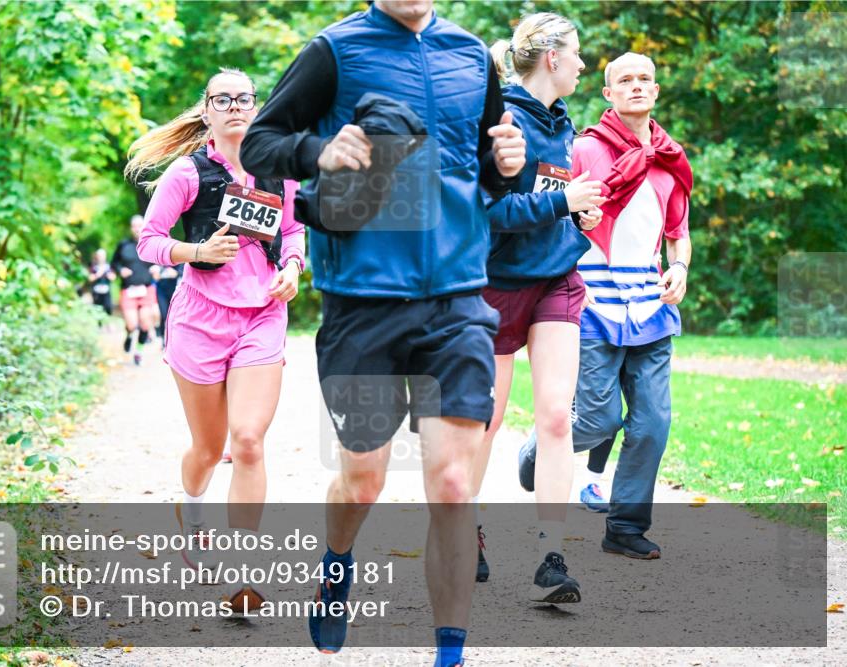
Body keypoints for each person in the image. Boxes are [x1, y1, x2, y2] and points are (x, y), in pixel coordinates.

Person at [241, 1, 526, 664]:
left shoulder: (470, 56)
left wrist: (506, 163)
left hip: (457, 297)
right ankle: (337, 561)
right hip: (363, 302)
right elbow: (259, 145)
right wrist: (318, 149)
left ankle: (450, 653)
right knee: (363, 482)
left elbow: (483, 167)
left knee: (453, 484)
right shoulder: (334, 51)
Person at [127, 67, 305, 608]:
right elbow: (150, 242)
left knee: (247, 440)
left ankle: (242, 572)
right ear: (206, 111)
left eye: (243, 98)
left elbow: (293, 230)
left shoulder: (279, 171)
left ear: (256, 107)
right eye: (222, 99)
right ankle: (193, 508)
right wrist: (197, 252)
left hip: (262, 315)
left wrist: (293, 267)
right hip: (200, 319)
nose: (234, 107)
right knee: (208, 449)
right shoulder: (187, 173)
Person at [518, 51, 693, 560]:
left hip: (651, 307)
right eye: (625, 79)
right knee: (597, 420)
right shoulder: (580, 149)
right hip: (592, 302)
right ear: (608, 93)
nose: (636, 86)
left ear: (655, 91)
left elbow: (678, 232)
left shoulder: (670, 158)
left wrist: (680, 267)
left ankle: (625, 528)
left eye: (645, 79)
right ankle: (538, 450)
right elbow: (551, 213)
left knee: (653, 424)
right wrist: (569, 260)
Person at [469, 12, 605, 603]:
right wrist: (563, 203)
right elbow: (490, 214)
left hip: (557, 279)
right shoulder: (501, 119)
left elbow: (552, 198)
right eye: (576, 53)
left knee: (555, 418)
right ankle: (463, 531)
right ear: (552, 57)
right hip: (496, 285)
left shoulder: (562, 121)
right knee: (486, 422)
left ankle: (552, 557)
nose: (582, 64)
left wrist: (578, 216)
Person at [111, 215, 159, 365]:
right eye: (134, 226)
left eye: (140, 226)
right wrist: (120, 270)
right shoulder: (123, 245)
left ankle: (138, 352)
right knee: (132, 324)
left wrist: (157, 268)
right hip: (129, 289)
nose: (137, 229)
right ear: (131, 228)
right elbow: (114, 264)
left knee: (145, 323)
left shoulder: (151, 244)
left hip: (146, 288)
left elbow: (161, 260)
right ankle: (129, 334)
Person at [154, 262, 182, 345]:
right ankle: (163, 339)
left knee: (174, 316)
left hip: (175, 288)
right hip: (161, 288)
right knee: (164, 315)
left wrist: (178, 273)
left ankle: (174, 340)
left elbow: (185, 268)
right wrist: (154, 271)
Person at [87, 248, 115, 321]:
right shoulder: (93, 267)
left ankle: (107, 322)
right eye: (100, 256)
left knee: (108, 307)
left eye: (103, 256)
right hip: (96, 291)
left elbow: (113, 277)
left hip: (106, 290)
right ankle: (99, 323)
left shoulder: (108, 267)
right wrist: (97, 275)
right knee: (97, 308)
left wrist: (109, 276)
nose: (101, 258)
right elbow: (89, 278)